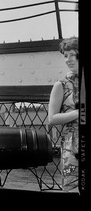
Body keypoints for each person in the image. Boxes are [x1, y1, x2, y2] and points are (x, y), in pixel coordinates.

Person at [48, 36, 79, 192]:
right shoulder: (61, 85)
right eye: (65, 56)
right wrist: (78, 113)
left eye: (72, 54)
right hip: (71, 146)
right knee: (71, 185)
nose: (68, 59)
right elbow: (52, 118)